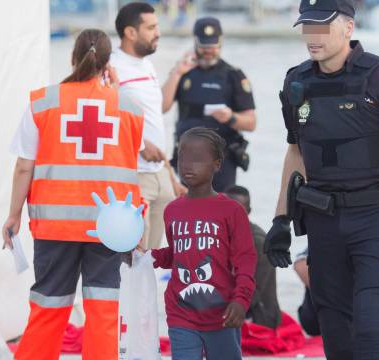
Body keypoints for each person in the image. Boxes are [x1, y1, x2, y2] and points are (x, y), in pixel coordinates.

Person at [264, 1, 379, 359]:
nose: (312, 37)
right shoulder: (297, 81)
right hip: (322, 223)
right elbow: (296, 153)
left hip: (376, 221)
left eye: (322, 27)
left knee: (371, 328)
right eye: (307, 28)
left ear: (348, 28)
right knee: (336, 335)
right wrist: (281, 220)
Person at [2, 29, 144, 360]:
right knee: (103, 309)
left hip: (56, 226)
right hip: (110, 227)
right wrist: (116, 93)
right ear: (108, 63)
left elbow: (25, 166)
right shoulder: (131, 108)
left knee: (49, 305)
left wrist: (13, 214)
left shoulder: (43, 101)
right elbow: (124, 158)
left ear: (72, 57)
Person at [150, 127, 257, 360]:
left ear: (217, 164)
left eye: (197, 159)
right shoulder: (172, 210)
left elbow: (246, 259)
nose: (188, 165)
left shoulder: (231, 210)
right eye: (183, 158)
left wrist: (241, 300)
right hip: (181, 312)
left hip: (222, 314)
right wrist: (150, 257)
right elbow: (179, 253)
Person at [111, 2, 186, 250]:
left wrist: (176, 74)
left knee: (153, 259)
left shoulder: (146, 64)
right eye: (151, 27)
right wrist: (140, 143)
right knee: (132, 254)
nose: (159, 33)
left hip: (159, 174)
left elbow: (159, 110)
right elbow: (105, 116)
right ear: (130, 33)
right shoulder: (112, 67)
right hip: (133, 175)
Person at [162, 17, 257, 192]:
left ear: (221, 43)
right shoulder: (183, 72)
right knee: (187, 213)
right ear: (195, 43)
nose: (208, 51)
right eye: (204, 47)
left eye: (213, 46)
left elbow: (251, 123)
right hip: (187, 158)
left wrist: (231, 117)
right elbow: (162, 106)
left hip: (221, 160)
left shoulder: (233, 75)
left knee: (219, 213)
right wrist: (176, 73)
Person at [225, 185, 281, 329]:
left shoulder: (259, 242)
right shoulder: (219, 234)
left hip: (260, 317)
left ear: (248, 212)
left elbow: (252, 293)